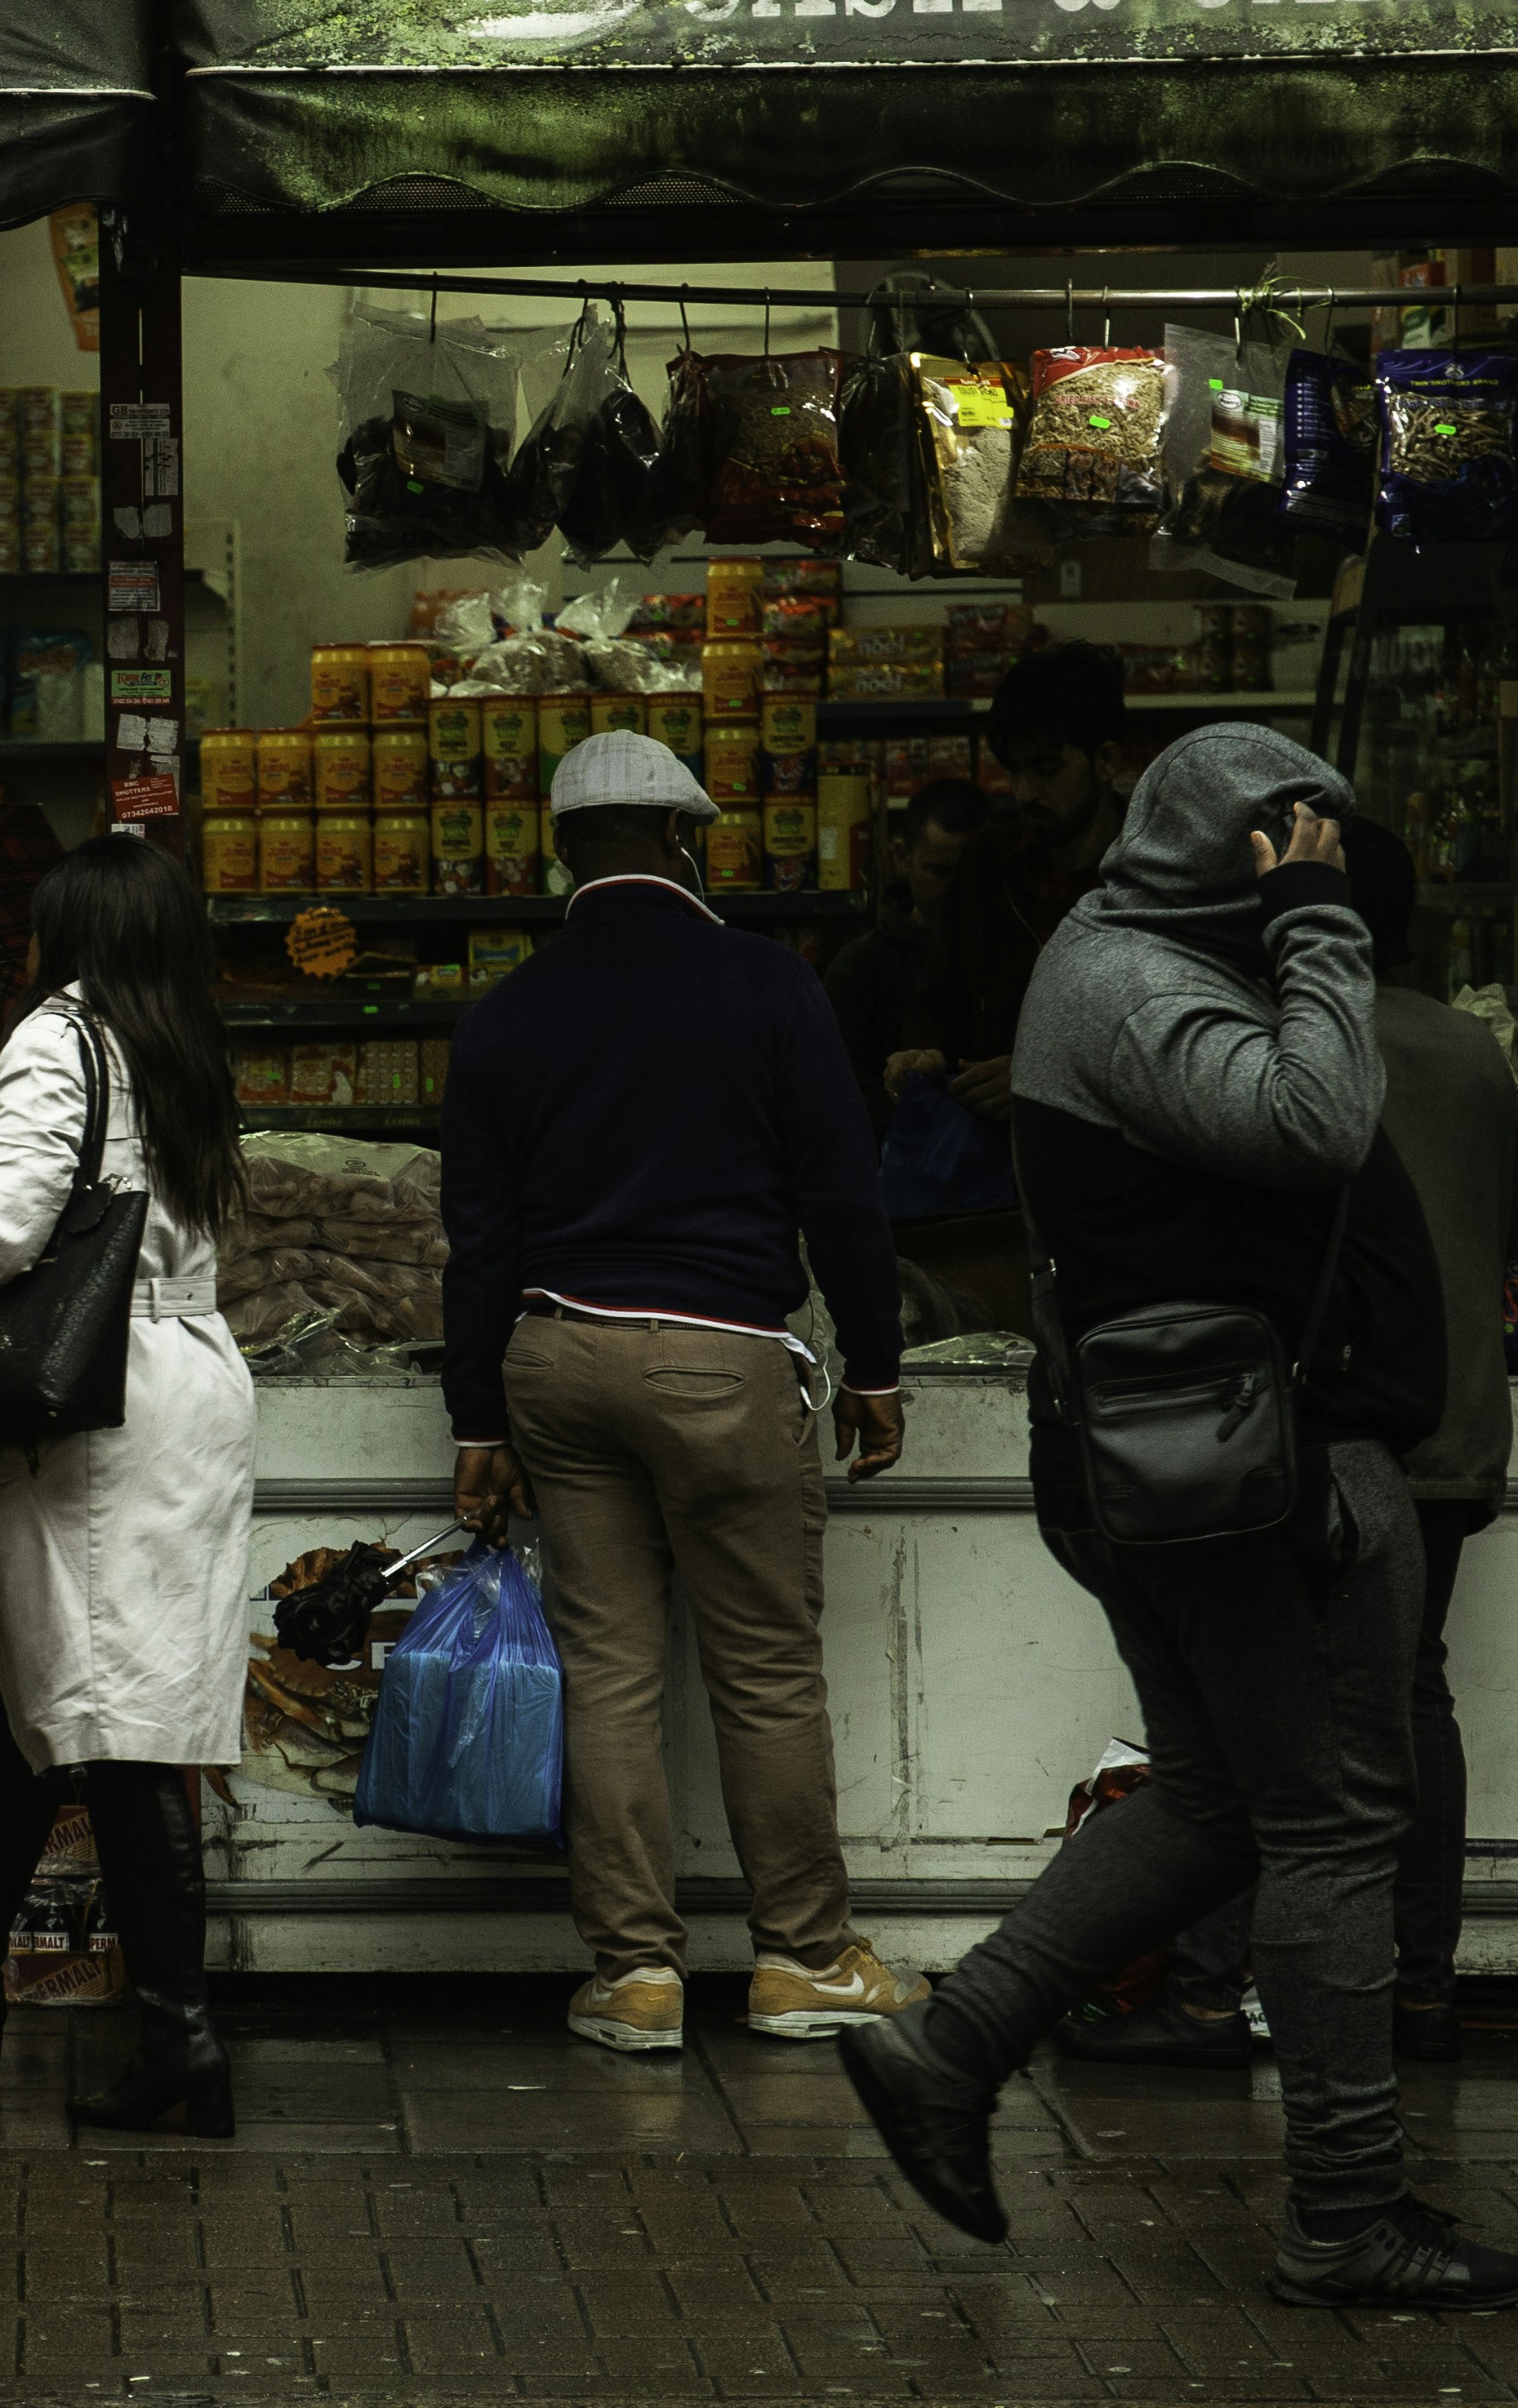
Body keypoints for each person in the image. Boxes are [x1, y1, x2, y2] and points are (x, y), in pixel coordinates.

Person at [837, 727, 1518, 2312]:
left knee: (1222, 1796)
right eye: (1298, 849)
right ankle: (1344, 2209)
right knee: (1333, 1822)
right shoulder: (1139, 978)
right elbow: (1316, 1117)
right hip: (1251, 1479)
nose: (1319, 877)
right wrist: (1318, 927)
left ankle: (951, 2049)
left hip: (1198, 1461)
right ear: (1238, 860)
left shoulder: (1123, 959)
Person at [438, 730, 919, 2054]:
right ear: (680, 839)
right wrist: (875, 1364)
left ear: (559, 853)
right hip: (722, 1359)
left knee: (607, 1672)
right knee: (763, 1671)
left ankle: (637, 1977)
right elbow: (842, 1193)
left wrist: (476, 1418)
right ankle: (801, 1958)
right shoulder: (768, 985)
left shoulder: (505, 1014)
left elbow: (478, 1242)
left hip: (558, 1359)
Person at [1050, 815, 1518, 2074]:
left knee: (1253, 1729)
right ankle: (1418, 1996)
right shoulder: (1471, 1048)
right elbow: (1515, 1233)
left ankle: (1213, 1995)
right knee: (1412, 1696)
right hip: (1451, 1425)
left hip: (1304, 1436)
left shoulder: (1259, 1046)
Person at [0, 834, 258, 2136]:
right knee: (28, 1693)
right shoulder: (170, 1039)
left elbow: (4, 1228)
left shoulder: (58, 1032)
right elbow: (52, 1145)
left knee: (113, 1726)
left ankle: (181, 2040)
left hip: (93, 1410)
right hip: (176, 1381)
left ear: (71, 933)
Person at [885, 639, 1128, 1123]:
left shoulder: (1154, 870)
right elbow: (941, 998)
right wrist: (926, 1051)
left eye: (1046, 769)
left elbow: (1174, 1042)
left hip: (1115, 1152)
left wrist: (1043, 1077)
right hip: (997, 1151)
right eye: (1014, 771)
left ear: (1106, 761)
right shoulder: (988, 862)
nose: (1025, 792)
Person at [828, 778, 982, 1124]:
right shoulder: (860, 968)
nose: (957, 889)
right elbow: (848, 1096)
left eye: (972, 873)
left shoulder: (1017, 955)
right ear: (901, 857)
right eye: (940, 872)